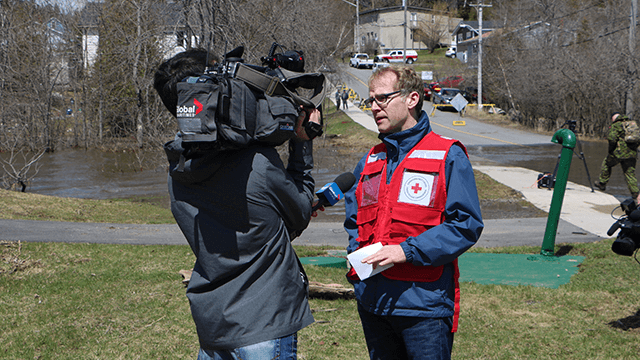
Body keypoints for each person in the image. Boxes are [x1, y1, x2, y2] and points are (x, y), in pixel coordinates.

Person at [153, 48, 320, 359]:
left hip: (213, 324)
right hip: (263, 323)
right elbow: (299, 214)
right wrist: (302, 144)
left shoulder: (177, 168)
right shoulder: (257, 162)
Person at [343, 65, 484, 360]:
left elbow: (466, 225)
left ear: (412, 99)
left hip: (423, 307)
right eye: (371, 101)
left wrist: (405, 251)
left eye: (382, 98)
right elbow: (355, 219)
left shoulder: (448, 154)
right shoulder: (370, 159)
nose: (374, 107)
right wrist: (354, 251)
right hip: (373, 304)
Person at [594, 112, 640, 203]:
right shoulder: (631, 124)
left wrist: (611, 150)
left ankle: (602, 184)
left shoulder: (616, 125)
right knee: (629, 174)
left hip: (619, 153)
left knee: (606, 164)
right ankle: (635, 193)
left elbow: (612, 138)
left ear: (613, 118)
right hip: (632, 154)